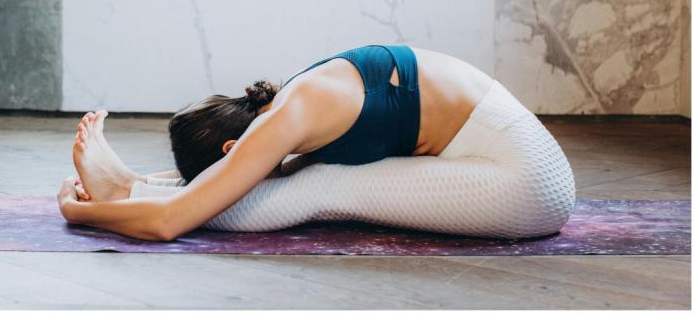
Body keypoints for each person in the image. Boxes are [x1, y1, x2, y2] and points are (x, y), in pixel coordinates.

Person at [57, 43, 576, 241]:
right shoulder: (298, 94)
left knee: (323, 184)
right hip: (513, 161)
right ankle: (130, 186)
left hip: (528, 189)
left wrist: (81, 214)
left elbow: (173, 222)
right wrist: (149, 180)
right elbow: (254, 171)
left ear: (232, 151)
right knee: (308, 176)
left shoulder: (285, 121)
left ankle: (123, 193)